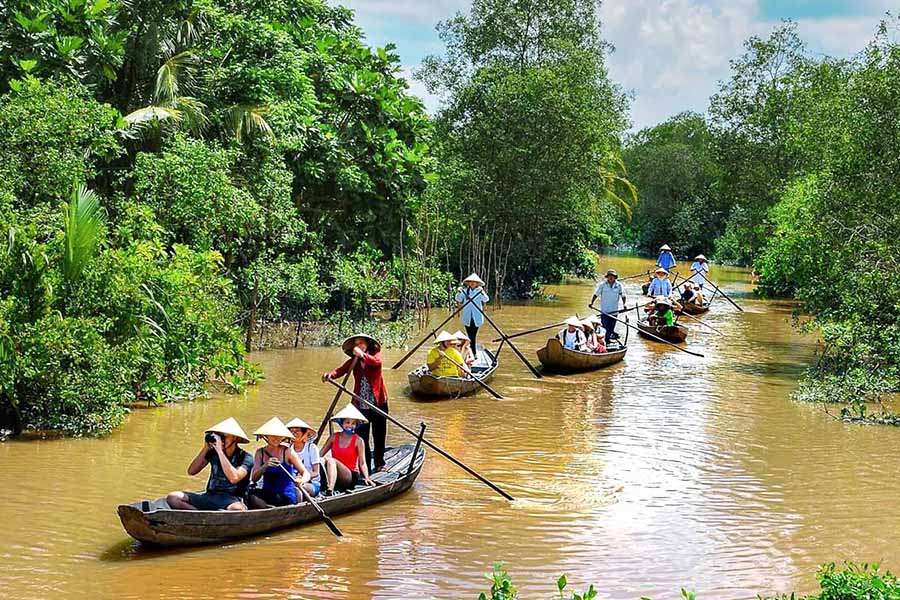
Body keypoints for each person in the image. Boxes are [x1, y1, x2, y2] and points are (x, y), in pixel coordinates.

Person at [322, 334, 388, 472]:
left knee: (379, 434)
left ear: (367, 345)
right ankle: (366, 468)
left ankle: (380, 463)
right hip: (361, 403)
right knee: (362, 436)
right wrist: (330, 375)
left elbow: (377, 363)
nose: (359, 346)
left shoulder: (374, 356)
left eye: (361, 343)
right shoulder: (354, 361)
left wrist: (363, 356)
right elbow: (341, 370)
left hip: (378, 403)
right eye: (356, 344)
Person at [166, 417, 254, 511]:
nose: (221, 440)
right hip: (210, 495)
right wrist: (206, 448)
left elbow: (234, 478)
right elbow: (192, 471)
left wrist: (220, 451)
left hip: (233, 499)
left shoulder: (245, 457)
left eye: (224, 436)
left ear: (234, 437)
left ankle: (214, 516)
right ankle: (199, 515)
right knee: (173, 497)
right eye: (219, 436)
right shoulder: (212, 453)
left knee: (237, 509)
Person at [247, 417, 310, 508]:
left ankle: (266, 507)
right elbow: (254, 478)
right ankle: (267, 508)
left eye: (279, 436)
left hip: (285, 495)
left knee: (274, 498)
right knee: (249, 493)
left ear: (283, 437)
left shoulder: (287, 452)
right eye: (273, 435)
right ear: (266, 436)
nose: (276, 438)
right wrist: (265, 466)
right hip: (268, 493)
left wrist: (301, 480)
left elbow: (305, 473)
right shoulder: (260, 453)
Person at [320, 404, 374, 496]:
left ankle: (330, 489)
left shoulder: (358, 440)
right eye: (347, 422)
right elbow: (320, 454)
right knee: (322, 460)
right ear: (342, 423)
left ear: (356, 425)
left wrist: (367, 477)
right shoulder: (334, 437)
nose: (350, 425)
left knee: (331, 460)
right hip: (335, 473)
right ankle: (322, 485)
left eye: (353, 423)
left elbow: (362, 462)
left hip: (350, 476)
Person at [455, 273, 490, 358]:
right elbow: (458, 299)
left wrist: (482, 292)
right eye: (470, 282)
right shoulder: (464, 291)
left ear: (477, 283)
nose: (472, 283)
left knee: (472, 335)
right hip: (467, 316)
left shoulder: (479, 291)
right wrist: (459, 292)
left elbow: (486, 299)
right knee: (469, 334)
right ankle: (470, 351)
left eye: (474, 282)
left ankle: (472, 353)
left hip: (476, 317)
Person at [286, 417, 322, 497]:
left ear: (305, 433)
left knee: (297, 487)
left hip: (312, 483)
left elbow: (316, 472)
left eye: (297, 431)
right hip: (294, 481)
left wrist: (302, 479)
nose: (294, 433)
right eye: (291, 431)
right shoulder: (288, 449)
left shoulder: (311, 448)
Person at [590, 269, 626, 345]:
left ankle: (608, 339)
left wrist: (624, 304)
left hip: (614, 311)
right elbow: (596, 294)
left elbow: (623, 295)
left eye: (612, 276)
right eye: (609, 276)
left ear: (615, 277)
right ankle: (604, 340)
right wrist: (592, 303)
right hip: (604, 311)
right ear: (607, 277)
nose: (610, 278)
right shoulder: (602, 285)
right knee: (604, 327)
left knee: (611, 327)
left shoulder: (619, 285)